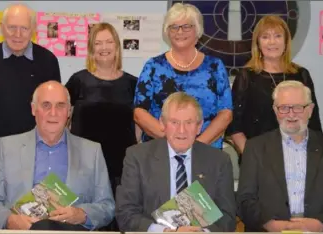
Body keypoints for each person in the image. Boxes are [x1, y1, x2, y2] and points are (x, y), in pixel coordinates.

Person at [0, 81, 114, 231]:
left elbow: (107, 207)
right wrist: (10, 220)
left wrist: (82, 214)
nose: (53, 113)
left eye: (60, 106)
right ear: (33, 109)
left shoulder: (92, 151)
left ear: (69, 111)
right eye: (46, 105)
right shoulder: (8, 147)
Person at [237, 80, 323, 232]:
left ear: (310, 110)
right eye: (284, 108)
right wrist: (270, 224)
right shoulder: (255, 147)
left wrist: (321, 224)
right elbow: (245, 200)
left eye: (298, 107)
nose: (291, 114)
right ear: (275, 110)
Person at [0, 3, 61, 182]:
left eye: (24, 28)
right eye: (12, 28)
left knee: (40, 207)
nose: (17, 34)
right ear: (2, 28)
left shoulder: (48, 61)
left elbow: (56, 109)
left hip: (40, 153)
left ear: (33, 29)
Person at [116, 92, 236, 232]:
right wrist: (165, 232)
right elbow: (125, 214)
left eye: (189, 122)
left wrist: (201, 232)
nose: (181, 130)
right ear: (162, 123)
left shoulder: (219, 161)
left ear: (199, 126)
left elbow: (228, 218)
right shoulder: (137, 157)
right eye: (174, 122)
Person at [133, 3, 232, 149]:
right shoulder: (153, 66)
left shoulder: (215, 67)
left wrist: (196, 147)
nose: (180, 31)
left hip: (205, 152)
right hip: (161, 152)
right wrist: (175, 143)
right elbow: (139, 112)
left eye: (187, 26)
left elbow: (225, 114)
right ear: (167, 32)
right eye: (174, 26)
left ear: (197, 30)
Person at [226, 15, 322, 155]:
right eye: (265, 37)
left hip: (298, 156)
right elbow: (235, 128)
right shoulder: (246, 76)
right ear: (257, 43)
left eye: (277, 36)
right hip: (259, 157)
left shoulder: (301, 75)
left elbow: (313, 122)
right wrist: (251, 158)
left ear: (286, 41)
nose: (272, 42)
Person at [66, 22, 138, 195]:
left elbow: (139, 127)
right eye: (98, 43)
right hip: (84, 165)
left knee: (119, 218)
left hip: (121, 167)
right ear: (91, 49)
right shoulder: (78, 81)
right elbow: (63, 118)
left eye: (109, 42)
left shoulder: (133, 83)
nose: (104, 47)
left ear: (117, 46)